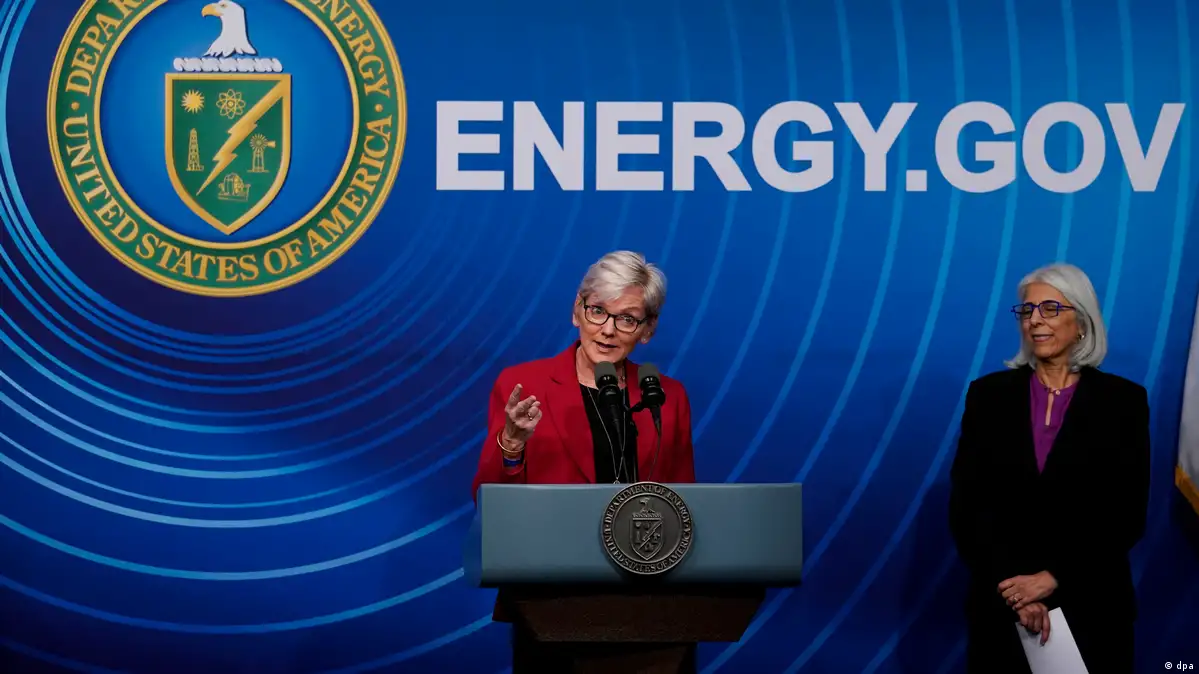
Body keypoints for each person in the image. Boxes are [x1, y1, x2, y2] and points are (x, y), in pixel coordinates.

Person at [948, 263, 1151, 673]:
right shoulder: (988, 396)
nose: (1035, 320)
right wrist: (1017, 591)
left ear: (1082, 322)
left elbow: (1125, 514)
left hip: (1091, 607)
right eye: (1027, 310)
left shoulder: (1123, 402)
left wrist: (1053, 577)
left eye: (1051, 308)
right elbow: (968, 506)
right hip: (1002, 608)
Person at [470, 250, 697, 499]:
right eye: (598, 311)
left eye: (627, 319)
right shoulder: (523, 386)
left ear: (648, 329)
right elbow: (489, 502)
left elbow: (684, 504)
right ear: (577, 309)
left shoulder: (667, 398)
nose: (608, 330)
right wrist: (511, 444)